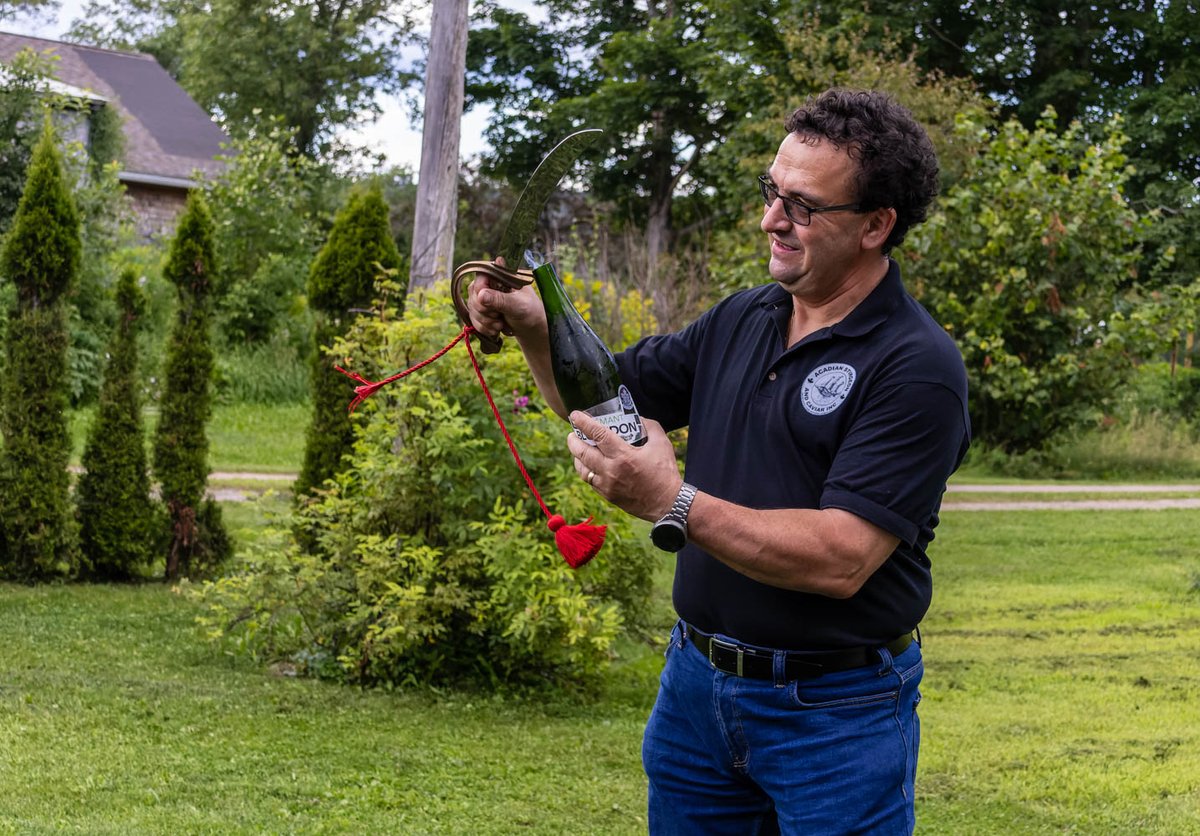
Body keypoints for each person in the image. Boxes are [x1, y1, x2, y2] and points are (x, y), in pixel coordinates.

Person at [467, 88, 970, 835]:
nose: (772, 219)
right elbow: (609, 400)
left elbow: (842, 558)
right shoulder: (746, 315)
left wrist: (674, 502)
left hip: (835, 714)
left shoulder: (916, 366)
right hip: (697, 691)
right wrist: (540, 326)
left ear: (876, 225)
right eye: (772, 191)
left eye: (803, 206)